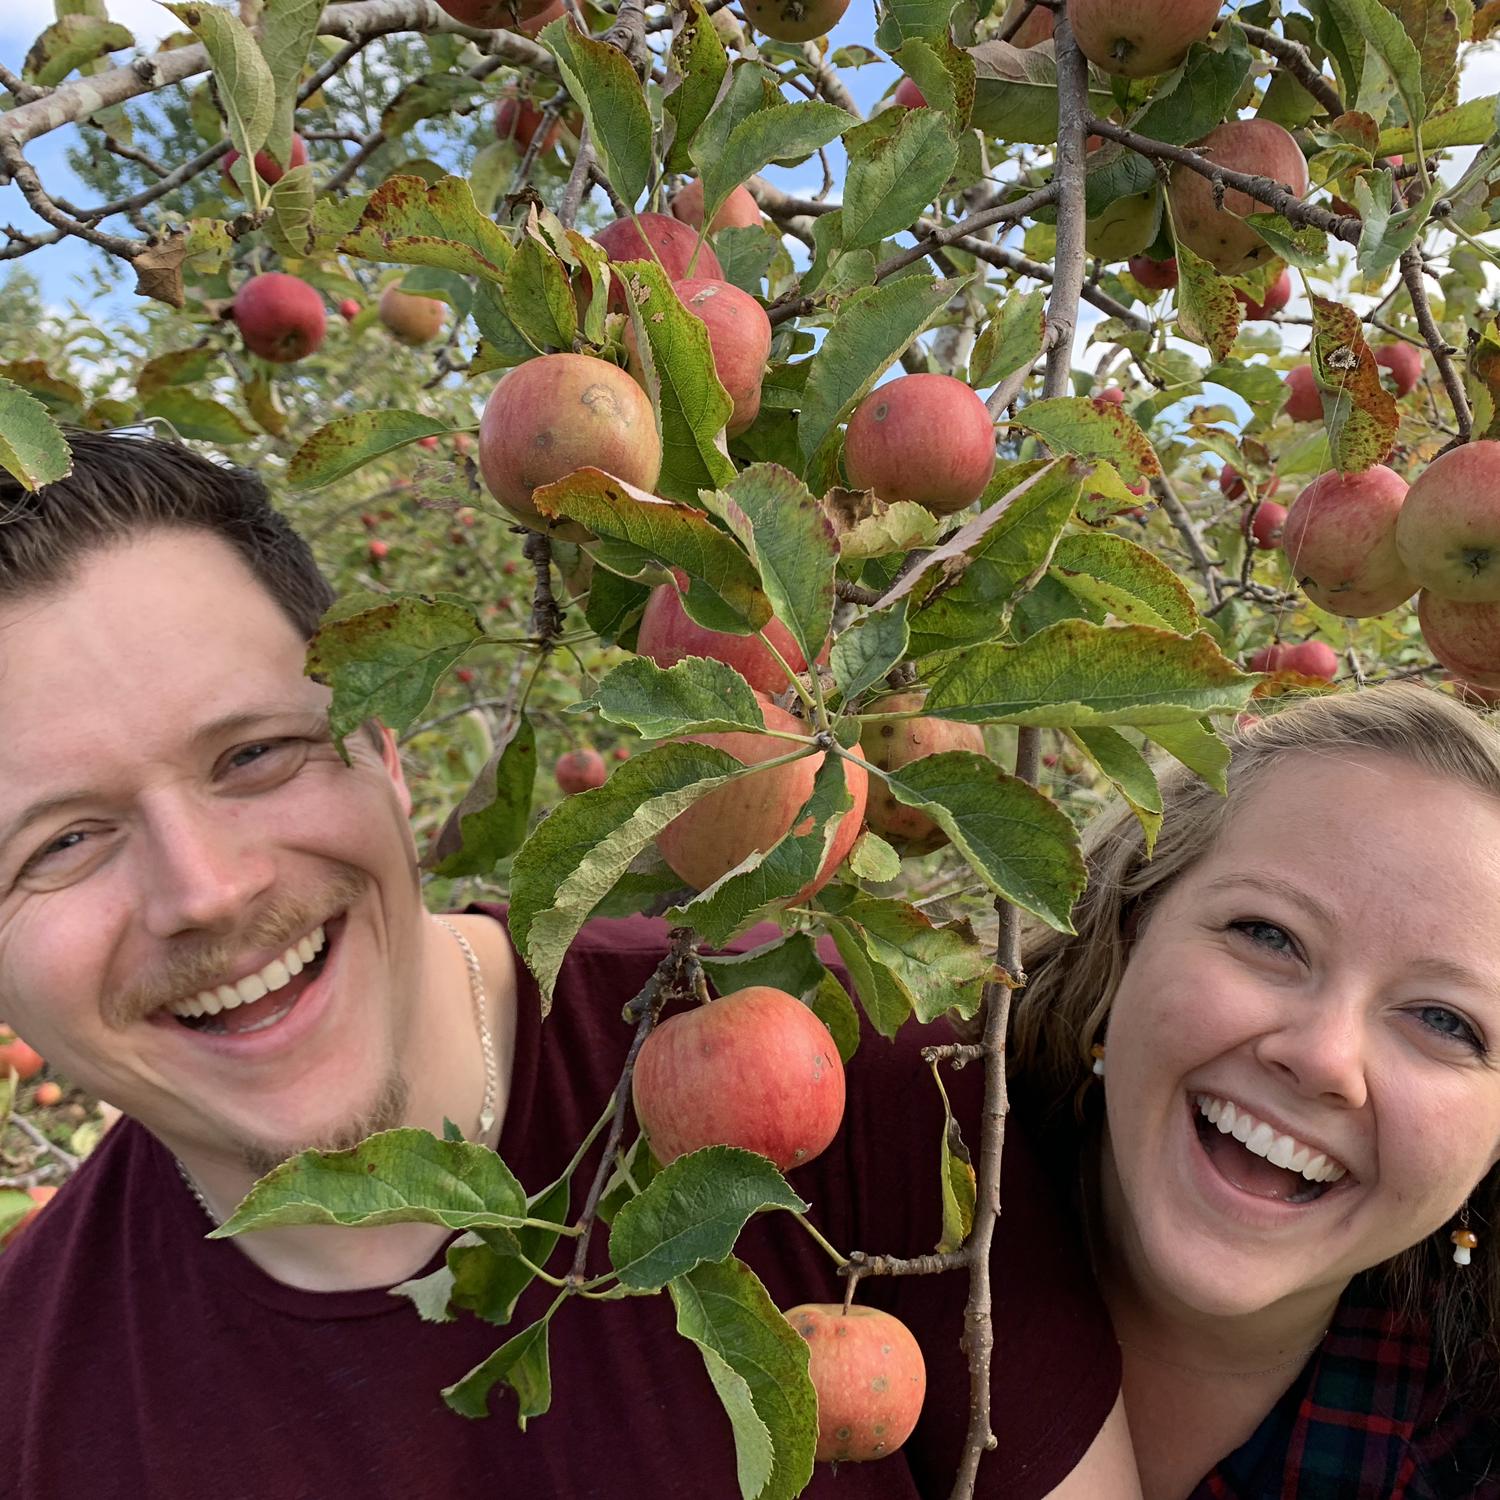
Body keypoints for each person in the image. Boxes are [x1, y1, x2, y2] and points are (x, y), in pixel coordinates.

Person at [0, 430, 1139, 1499]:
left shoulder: (857, 1069)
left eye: (254, 754)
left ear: (385, 756)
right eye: (60, 842)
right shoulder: (25, 1395)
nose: (206, 889)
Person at [1008, 683, 1500, 1498]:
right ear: (1130, 925)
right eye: (1268, 935)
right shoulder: (856, 1147)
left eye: (1447, 1022)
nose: (1323, 1058)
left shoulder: (1468, 1456)